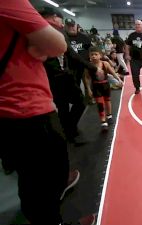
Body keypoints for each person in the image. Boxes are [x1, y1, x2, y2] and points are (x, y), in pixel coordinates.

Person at [0, 3, 94, 225]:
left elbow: (48, 49)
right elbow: (57, 45)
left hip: (13, 106)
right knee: (43, 180)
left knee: (32, 179)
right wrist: (45, 40)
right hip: (25, 107)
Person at [42, 9, 99, 144]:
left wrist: (91, 66)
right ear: (55, 18)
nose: (63, 25)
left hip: (65, 74)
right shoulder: (41, 31)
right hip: (52, 76)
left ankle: (69, 128)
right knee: (62, 106)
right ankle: (69, 132)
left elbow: (71, 53)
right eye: (63, 23)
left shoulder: (62, 34)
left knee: (80, 101)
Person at [84, 46, 123, 129]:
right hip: (96, 86)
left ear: (100, 55)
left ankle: (109, 115)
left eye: (96, 54)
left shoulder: (105, 64)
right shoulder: (89, 66)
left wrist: (119, 79)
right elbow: (87, 78)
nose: (94, 56)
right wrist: (89, 89)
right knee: (100, 103)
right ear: (89, 56)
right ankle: (103, 120)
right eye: (92, 55)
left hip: (105, 85)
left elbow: (113, 72)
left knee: (107, 101)